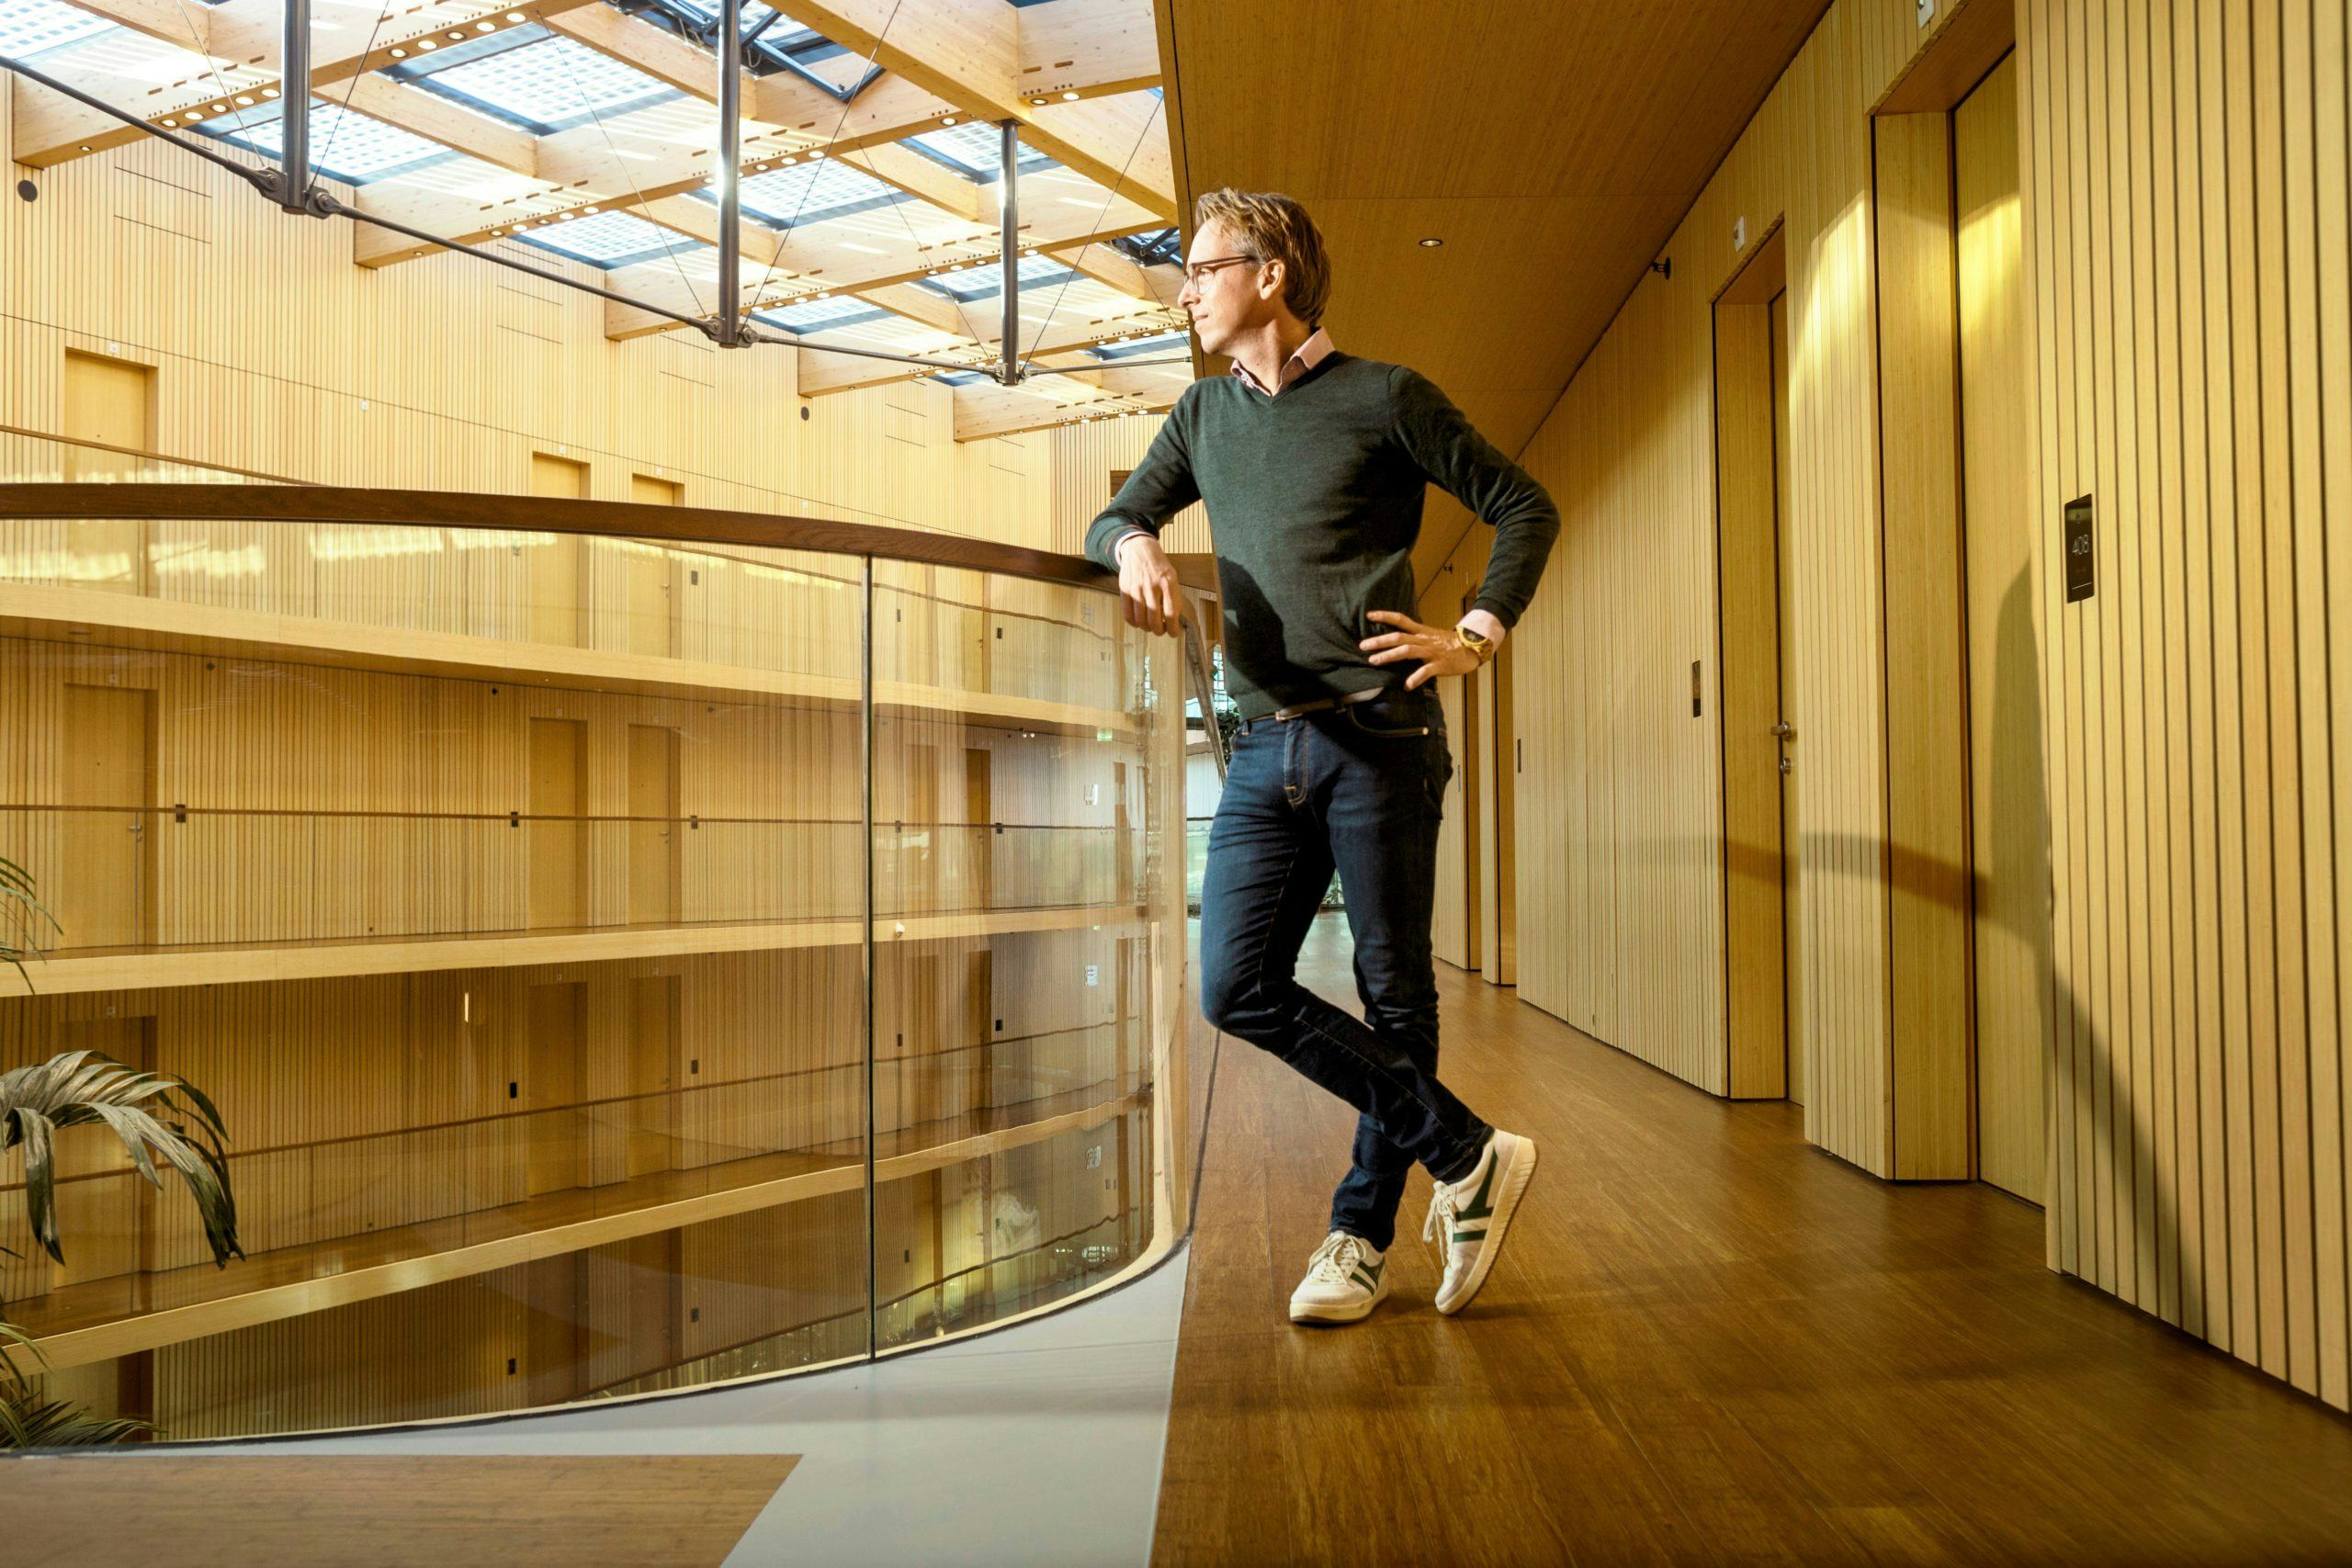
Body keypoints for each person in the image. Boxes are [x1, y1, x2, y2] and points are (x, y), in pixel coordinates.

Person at [1085, 188, 1560, 1325]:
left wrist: (1476, 635)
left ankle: (1356, 1236)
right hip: (1261, 750)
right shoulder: (1202, 417)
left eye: (1202, 269)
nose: (1186, 289)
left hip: (1381, 735)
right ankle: (1466, 1152)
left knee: (1394, 992)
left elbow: (1521, 504)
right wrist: (1139, 542)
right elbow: (1114, 515)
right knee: (1235, 986)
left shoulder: (1385, 396)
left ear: (1270, 275)